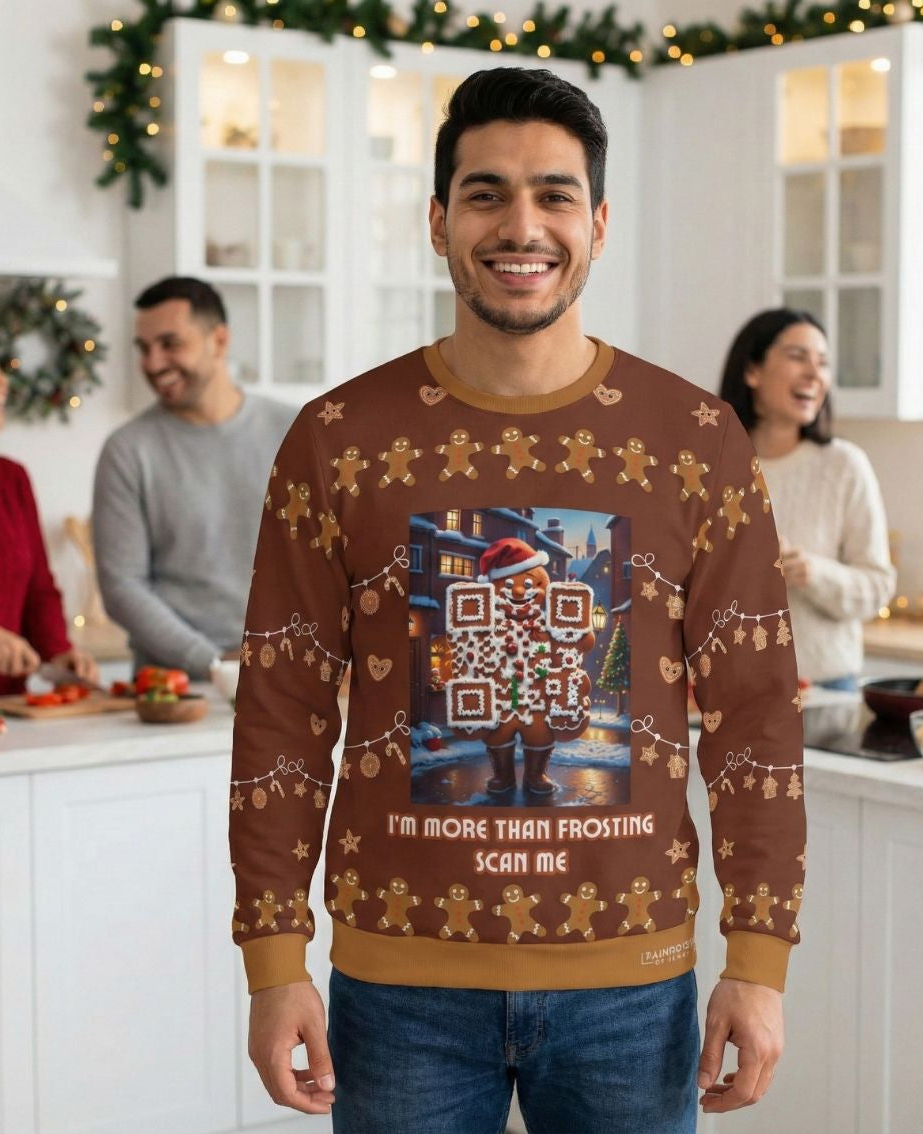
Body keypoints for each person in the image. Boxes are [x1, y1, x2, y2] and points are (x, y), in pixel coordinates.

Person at [231, 69, 806, 1132]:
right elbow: (281, 711)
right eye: (487, 193)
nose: (521, 224)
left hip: (633, 983)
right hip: (395, 985)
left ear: (598, 222)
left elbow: (757, 713)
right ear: (440, 221)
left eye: (554, 193)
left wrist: (758, 962)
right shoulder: (338, 438)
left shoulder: (693, 440)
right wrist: (275, 959)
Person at [92, 277, 296, 679]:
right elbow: (122, 587)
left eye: (170, 344)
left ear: (219, 341)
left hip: (293, 678)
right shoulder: (128, 451)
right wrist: (216, 665)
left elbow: (343, 558)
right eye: (144, 348)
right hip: (176, 691)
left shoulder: (296, 430)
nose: (152, 364)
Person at [719, 308, 895, 691]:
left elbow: (878, 587)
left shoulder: (844, 466)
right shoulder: (709, 465)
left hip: (825, 686)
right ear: (752, 372)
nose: (815, 374)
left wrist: (810, 572)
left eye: (823, 363)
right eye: (798, 357)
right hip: (730, 686)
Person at [0, 324, 97, 695]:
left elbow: (39, 588)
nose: (1, 379)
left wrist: (59, 652)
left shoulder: (11, 479)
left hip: (9, 712)